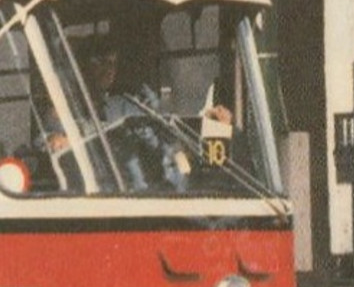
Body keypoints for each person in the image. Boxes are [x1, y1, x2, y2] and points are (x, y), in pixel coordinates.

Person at [49, 37, 230, 192]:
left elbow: (167, 137)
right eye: (99, 62)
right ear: (80, 68)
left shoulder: (128, 105)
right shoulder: (62, 110)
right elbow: (50, 142)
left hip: (140, 192)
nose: (108, 69)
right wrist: (57, 140)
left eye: (112, 63)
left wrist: (206, 125)